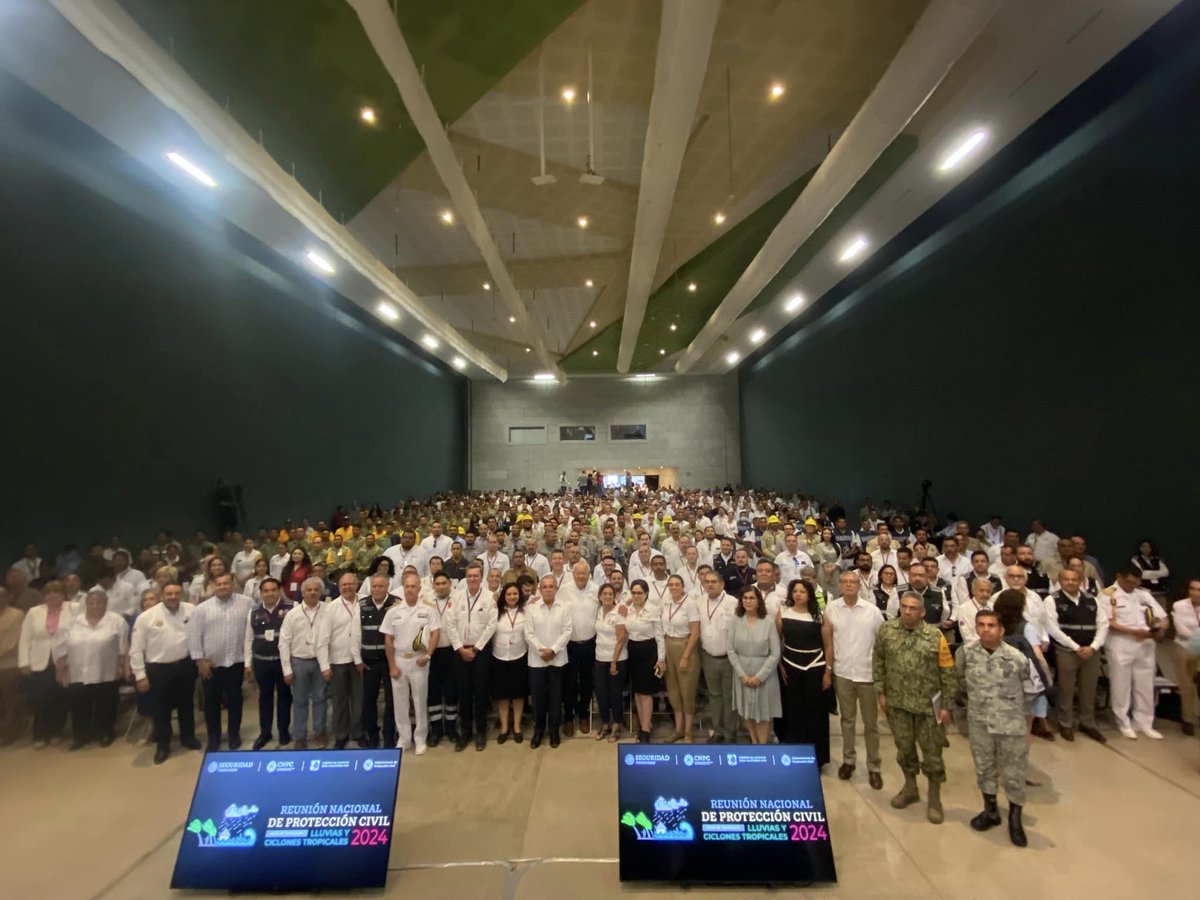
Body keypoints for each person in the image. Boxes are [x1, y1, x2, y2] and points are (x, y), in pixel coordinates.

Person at [956, 609, 1038, 847]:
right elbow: (959, 680)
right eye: (981, 624)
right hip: (980, 722)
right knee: (984, 767)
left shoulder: (1017, 657)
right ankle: (990, 810)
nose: (986, 629)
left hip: (1010, 724)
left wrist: (1019, 715)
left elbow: (1031, 690)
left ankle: (1015, 817)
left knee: (1013, 773)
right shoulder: (966, 653)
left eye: (991, 625)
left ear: (1001, 630)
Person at [873, 591, 957, 823]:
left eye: (913, 608)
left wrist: (947, 706)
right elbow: (878, 661)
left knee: (932, 754)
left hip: (928, 707)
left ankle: (934, 797)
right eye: (904, 607)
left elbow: (948, 672)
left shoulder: (935, 635)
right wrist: (881, 692)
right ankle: (910, 788)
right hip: (898, 704)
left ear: (922, 612)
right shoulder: (887, 631)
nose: (907, 611)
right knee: (904, 750)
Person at [823, 570, 885, 789]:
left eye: (853, 582)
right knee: (847, 720)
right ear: (840, 586)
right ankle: (849, 760)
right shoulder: (831, 609)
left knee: (870, 724)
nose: (849, 585)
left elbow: (882, 644)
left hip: (867, 674)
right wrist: (829, 670)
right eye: (845, 582)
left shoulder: (873, 612)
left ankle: (874, 766)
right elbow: (829, 643)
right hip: (843, 674)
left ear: (859, 586)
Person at [130, 582, 198, 763]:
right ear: (162, 596)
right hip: (158, 670)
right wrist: (140, 675)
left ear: (181, 594)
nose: (173, 597)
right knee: (161, 710)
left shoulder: (191, 610)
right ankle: (163, 745)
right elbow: (136, 649)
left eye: (177, 593)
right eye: (169, 594)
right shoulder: (146, 617)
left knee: (186, 705)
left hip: (185, 666)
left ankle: (188, 737)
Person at [187, 572, 254, 750]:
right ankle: (214, 738)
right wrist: (199, 660)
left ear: (233, 584)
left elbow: (251, 632)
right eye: (219, 584)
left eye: (226, 583)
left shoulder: (246, 603)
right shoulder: (202, 609)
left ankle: (234, 735)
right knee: (211, 704)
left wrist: (249, 661)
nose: (223, 587)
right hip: (211, 664)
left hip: (236, 661)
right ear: (213, 586)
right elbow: (193, 636)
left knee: (235, 701)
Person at [56, 588, 128, 749]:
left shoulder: (117, 621)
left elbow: (123, 648)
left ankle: (105, 733)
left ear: (106, 604)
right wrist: (61, 670)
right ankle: (81, 736)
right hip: (77, 671)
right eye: (91, 603)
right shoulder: (74, 622)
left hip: (106, 670)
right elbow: (61, 648)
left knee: (106, 704)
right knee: (79, 705)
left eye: (99, 603)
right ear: (86, 604)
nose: (95, 606)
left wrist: (122, 666)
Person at [1043, 568, 1108, 742]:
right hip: (1067, 651)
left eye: (1074, 579)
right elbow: (1052, 628)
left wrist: (1093, 647)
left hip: (1091, 652)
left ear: (1080, 580)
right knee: (1067, 689)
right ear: (1060, 580)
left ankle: (1088, 723)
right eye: (1067, 579)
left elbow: (1103, 625)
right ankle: (1065, 723)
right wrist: (1075, 647)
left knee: (1089, 689)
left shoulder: (1092, 600)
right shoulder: (1052, 600)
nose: (1070, 582)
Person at [1104, 568, 1168, 740]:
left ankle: (1144, 722)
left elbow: (1161, 616)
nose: (1133, 585)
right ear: (1119, 577)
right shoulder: (1108, 594)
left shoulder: (1144, 595)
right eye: (1130, 582)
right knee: (1121, 684)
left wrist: (1161, 627)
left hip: (1146, 643)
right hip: (1122, 643)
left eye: (1136, 582)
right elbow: (1109, 623)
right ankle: (1123, 721)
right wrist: (1134, 632)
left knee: (1145, 684)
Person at [382, 572, 440, 755]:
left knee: (420, 700)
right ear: (402, 588)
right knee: (399, 702)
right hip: (399, 660)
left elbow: (435, 634)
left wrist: (428, 655)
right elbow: (388, 640)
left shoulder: (429, 609)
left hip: (419, 660)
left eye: (413, 586)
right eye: (407, 586)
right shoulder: (393, 611)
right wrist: (392, 665)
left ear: (419, 589)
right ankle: (404, 737)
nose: (410, 589)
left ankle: (420, 737)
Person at [443, 562, 497, 752]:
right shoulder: (456, 597)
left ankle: (480, 731)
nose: (472, 579)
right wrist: (459, 648)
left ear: (481, 578)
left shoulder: (490, 598)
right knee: (463, 693)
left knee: (481, 693)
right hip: (460, 652)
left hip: (480, 652)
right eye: (470, 576)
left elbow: (491, 625)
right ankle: (465, 732)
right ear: (466, 578)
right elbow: (449, 624)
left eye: (476, 575)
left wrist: (476, 648)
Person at [778, 579, 831, 764]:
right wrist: (780, 664)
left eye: (802, 591)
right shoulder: (783, 612)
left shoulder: (820, 615)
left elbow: (829, 645)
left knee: (815, 712)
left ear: (809, 594)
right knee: (793, 711)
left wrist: (828, 671)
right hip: (790, 667)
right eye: (795, 591)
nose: (798, 594)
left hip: (815, 667)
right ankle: (794, 753)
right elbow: (777, 641)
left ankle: (817, 757)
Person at [18, 581, 73, 747]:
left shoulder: (74, 608)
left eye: (56, 592)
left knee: (60, 697)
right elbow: (25, 638)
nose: (51, 596)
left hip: (64, 661)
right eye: (48, 593)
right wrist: (24, 662)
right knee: (40, 699)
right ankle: (40, 733)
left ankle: (56, 730)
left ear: (63, 594)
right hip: (38, 661)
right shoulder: (34, 612)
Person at [280, 576, 331, 750]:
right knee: (300, 700)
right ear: (302, 593)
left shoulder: (328, 610)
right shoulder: (292, 615)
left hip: (320, 662)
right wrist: (287, 669)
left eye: (316, 589)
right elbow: (283, 643)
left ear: (321, 592)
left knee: (320, 698)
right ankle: (300, 735)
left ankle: (320, 732)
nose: (312, 592)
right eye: (309, 590)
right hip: (299, 662)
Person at [727, 586, 782, 744]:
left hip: (764, 672)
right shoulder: (735, 621)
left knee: (763, 713)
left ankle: (762, 746)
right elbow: (730, 649)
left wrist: (760, 676)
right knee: (747, 711)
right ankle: (754, 742)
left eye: (752, 598)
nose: (748, 601)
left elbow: (775, 653)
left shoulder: (768, 622)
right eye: (745, 598)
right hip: (742, 671)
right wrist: (741, 674)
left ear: (759, 601)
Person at [244, 577, 292, 749]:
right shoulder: (254, 612)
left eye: (273, 589)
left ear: (279, 590)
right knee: (265, 698)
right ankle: (265, 732)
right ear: (261, 593)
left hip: (283, 663)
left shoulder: (291, 608)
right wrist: (247, 663)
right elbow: (249, 638)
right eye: (266, 590)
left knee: (285, 697)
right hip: (261, 663)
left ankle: (284, 730)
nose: (270, 593)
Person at [525, 574, 573, 748]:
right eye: (544, 587)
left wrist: (553, 650)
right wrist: (541, 650)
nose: (547, 589)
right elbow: (528, 633)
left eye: (551, 586)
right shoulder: (531, 608)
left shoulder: (564, 608)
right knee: (537, 699)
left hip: (558, 660)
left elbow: (567, 631)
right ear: (540, 589)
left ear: (556, 589)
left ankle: (554, 731)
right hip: (536, 661)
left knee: (555, 698)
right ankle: (538, 730)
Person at [559, 561, 599, 737]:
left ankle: (583, 714)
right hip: (569, 645)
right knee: (569, 683)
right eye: (578, 574)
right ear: (573, 574)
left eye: (584, 574)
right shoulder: (564, 590)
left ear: (589, 574)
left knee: (586, 682)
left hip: (590, 644)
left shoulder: (596, 589)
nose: (581, 577)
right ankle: (568, 717)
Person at [324, 572, 364, 749]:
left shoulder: (364, 603)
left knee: (359, 699)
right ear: (339, 587)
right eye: (344, 585)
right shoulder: (331, 608)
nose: (347, 587)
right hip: (338, 659)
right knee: (339, 700)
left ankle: (358, 732)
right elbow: (323, 638)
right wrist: (325, 664)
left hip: (360, 660)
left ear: (357, 584)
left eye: (351, 584)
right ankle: (341, 734)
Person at [358, 573, 398, 749]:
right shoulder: (361, 605)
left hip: (390, 660)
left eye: (381, 586)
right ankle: (372, 734)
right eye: (374, 586)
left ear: (387, 587)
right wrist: (358, 659)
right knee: (369, 699)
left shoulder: (397, 604)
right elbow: (355, 633)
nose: (377, 589)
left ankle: (389, 735)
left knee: (392, 699)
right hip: (369, 661)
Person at [697, 570, 738, 744]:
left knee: (729, 697)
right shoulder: (699, 602)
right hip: (708, 656)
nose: (710, 584)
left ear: (722, 584)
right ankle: (718, 731)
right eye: (707, 581)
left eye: (714, 581)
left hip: (728, 657)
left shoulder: (733, 603)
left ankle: (730, 734)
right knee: (714, 695)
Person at [660, 574, 701, 743]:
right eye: (671, 584)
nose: (674, 587)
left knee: (687, 692)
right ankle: (678, 729)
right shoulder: (666, 601)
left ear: (683, 586)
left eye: (677, 584)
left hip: (685, 647)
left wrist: (685, 656)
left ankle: (688, 731)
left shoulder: (690, 604)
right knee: (674, 692)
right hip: (669, 645)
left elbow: (695, 632)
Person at [624, 579, 665, 743]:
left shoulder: (653, 610)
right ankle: (642, 725)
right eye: (633, 592)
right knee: (637, 692)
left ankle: (646, 729)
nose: (636, 595)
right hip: (633, 651)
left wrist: (661, 659)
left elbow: (660, 637)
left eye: (639, 592)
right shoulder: (627, 609)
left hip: (649, 652)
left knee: (646, 693)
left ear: (646, 594)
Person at [425, 571, 459, 747]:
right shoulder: (426, 602)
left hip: (452, 650)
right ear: (433, 585)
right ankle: (436, 729)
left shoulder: (458, 599)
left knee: (452, 691)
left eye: (443, 583)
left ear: (450, 584)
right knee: (434, 692)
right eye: (437, 584)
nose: (440, 586)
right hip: (433, 652)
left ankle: (452, 728)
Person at [491, 583, 528, 743]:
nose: (512, 597)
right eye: (508, 594)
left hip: (519, 657)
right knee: (503, 696)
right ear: (503, 596)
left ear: (519, 595)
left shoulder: (526, 612)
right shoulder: (496, 612)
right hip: (499, 657)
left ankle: (517, 727)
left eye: (515, 594)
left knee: (518, 695)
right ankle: (505, 728)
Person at [593, 583, 628, 742]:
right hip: (600, 658)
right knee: (601, 693)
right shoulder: (599, 611)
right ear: (600, 596)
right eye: (604, 593)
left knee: (615, 694)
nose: (607, 596)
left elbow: (620, 639)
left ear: (614, 596)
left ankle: (616, 725)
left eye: (610, 594)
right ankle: (605, 723)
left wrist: (614, 662)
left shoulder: (619, 612)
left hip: (617, 659)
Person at [1171, 578, 1200, 735]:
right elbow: (1181, 629)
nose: (1195, 593)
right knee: (1187, 686)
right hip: (1184, 647)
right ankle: (1187, 720)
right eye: (1193, 589)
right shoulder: (1179, 605)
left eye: (1199, 590)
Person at [0, 587, 27, 744]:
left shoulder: (16, 614)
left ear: (9, 597)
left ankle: (10, 734)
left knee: (10, 701)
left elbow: (11, 643)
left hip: (9, 665)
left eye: (2, 596)